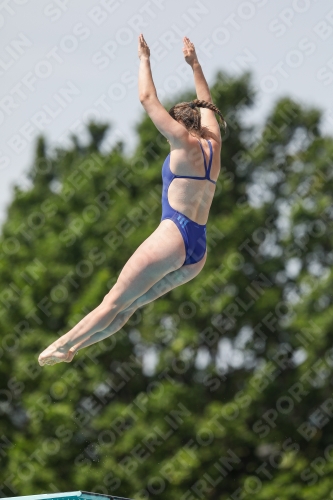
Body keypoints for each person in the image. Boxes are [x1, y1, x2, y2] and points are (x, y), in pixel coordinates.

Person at [38, 35, 226, 366]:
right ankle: (73, 350)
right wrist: (194, 64)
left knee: (114, 301)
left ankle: (64, 344)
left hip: (173, 236)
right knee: (130, 305)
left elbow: (146, 97)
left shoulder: (181, 141)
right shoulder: (214, 144)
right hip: (198, 250)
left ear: (180, 124)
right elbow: (207, 102)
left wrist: (143, 58)